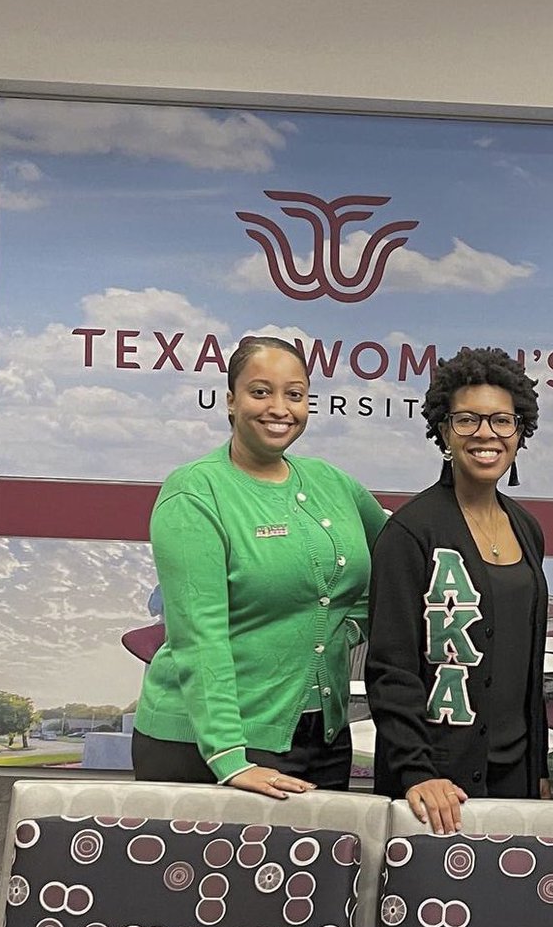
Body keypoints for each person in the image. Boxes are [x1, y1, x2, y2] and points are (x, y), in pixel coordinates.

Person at [132, 336, 388, 799]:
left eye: (295, 394)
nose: (279, 408)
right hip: (211, 745)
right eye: (260, 392)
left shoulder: (334, 483)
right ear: (231, 401)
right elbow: (198, 634)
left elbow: (398, 556)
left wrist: (349, 626)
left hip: (325, 739)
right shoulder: (194, 492)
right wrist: (228, 757)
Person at [365, 346, 550, 833]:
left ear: (520, 432)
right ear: (443, 431)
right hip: (435, 784)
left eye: (502, 421)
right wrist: (417, 771)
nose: (486, 434)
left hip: (517, 776)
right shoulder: (410, 532)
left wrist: (539, 767)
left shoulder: (527, 528)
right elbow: (390, 669)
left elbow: (525, 667)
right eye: (467, 419)